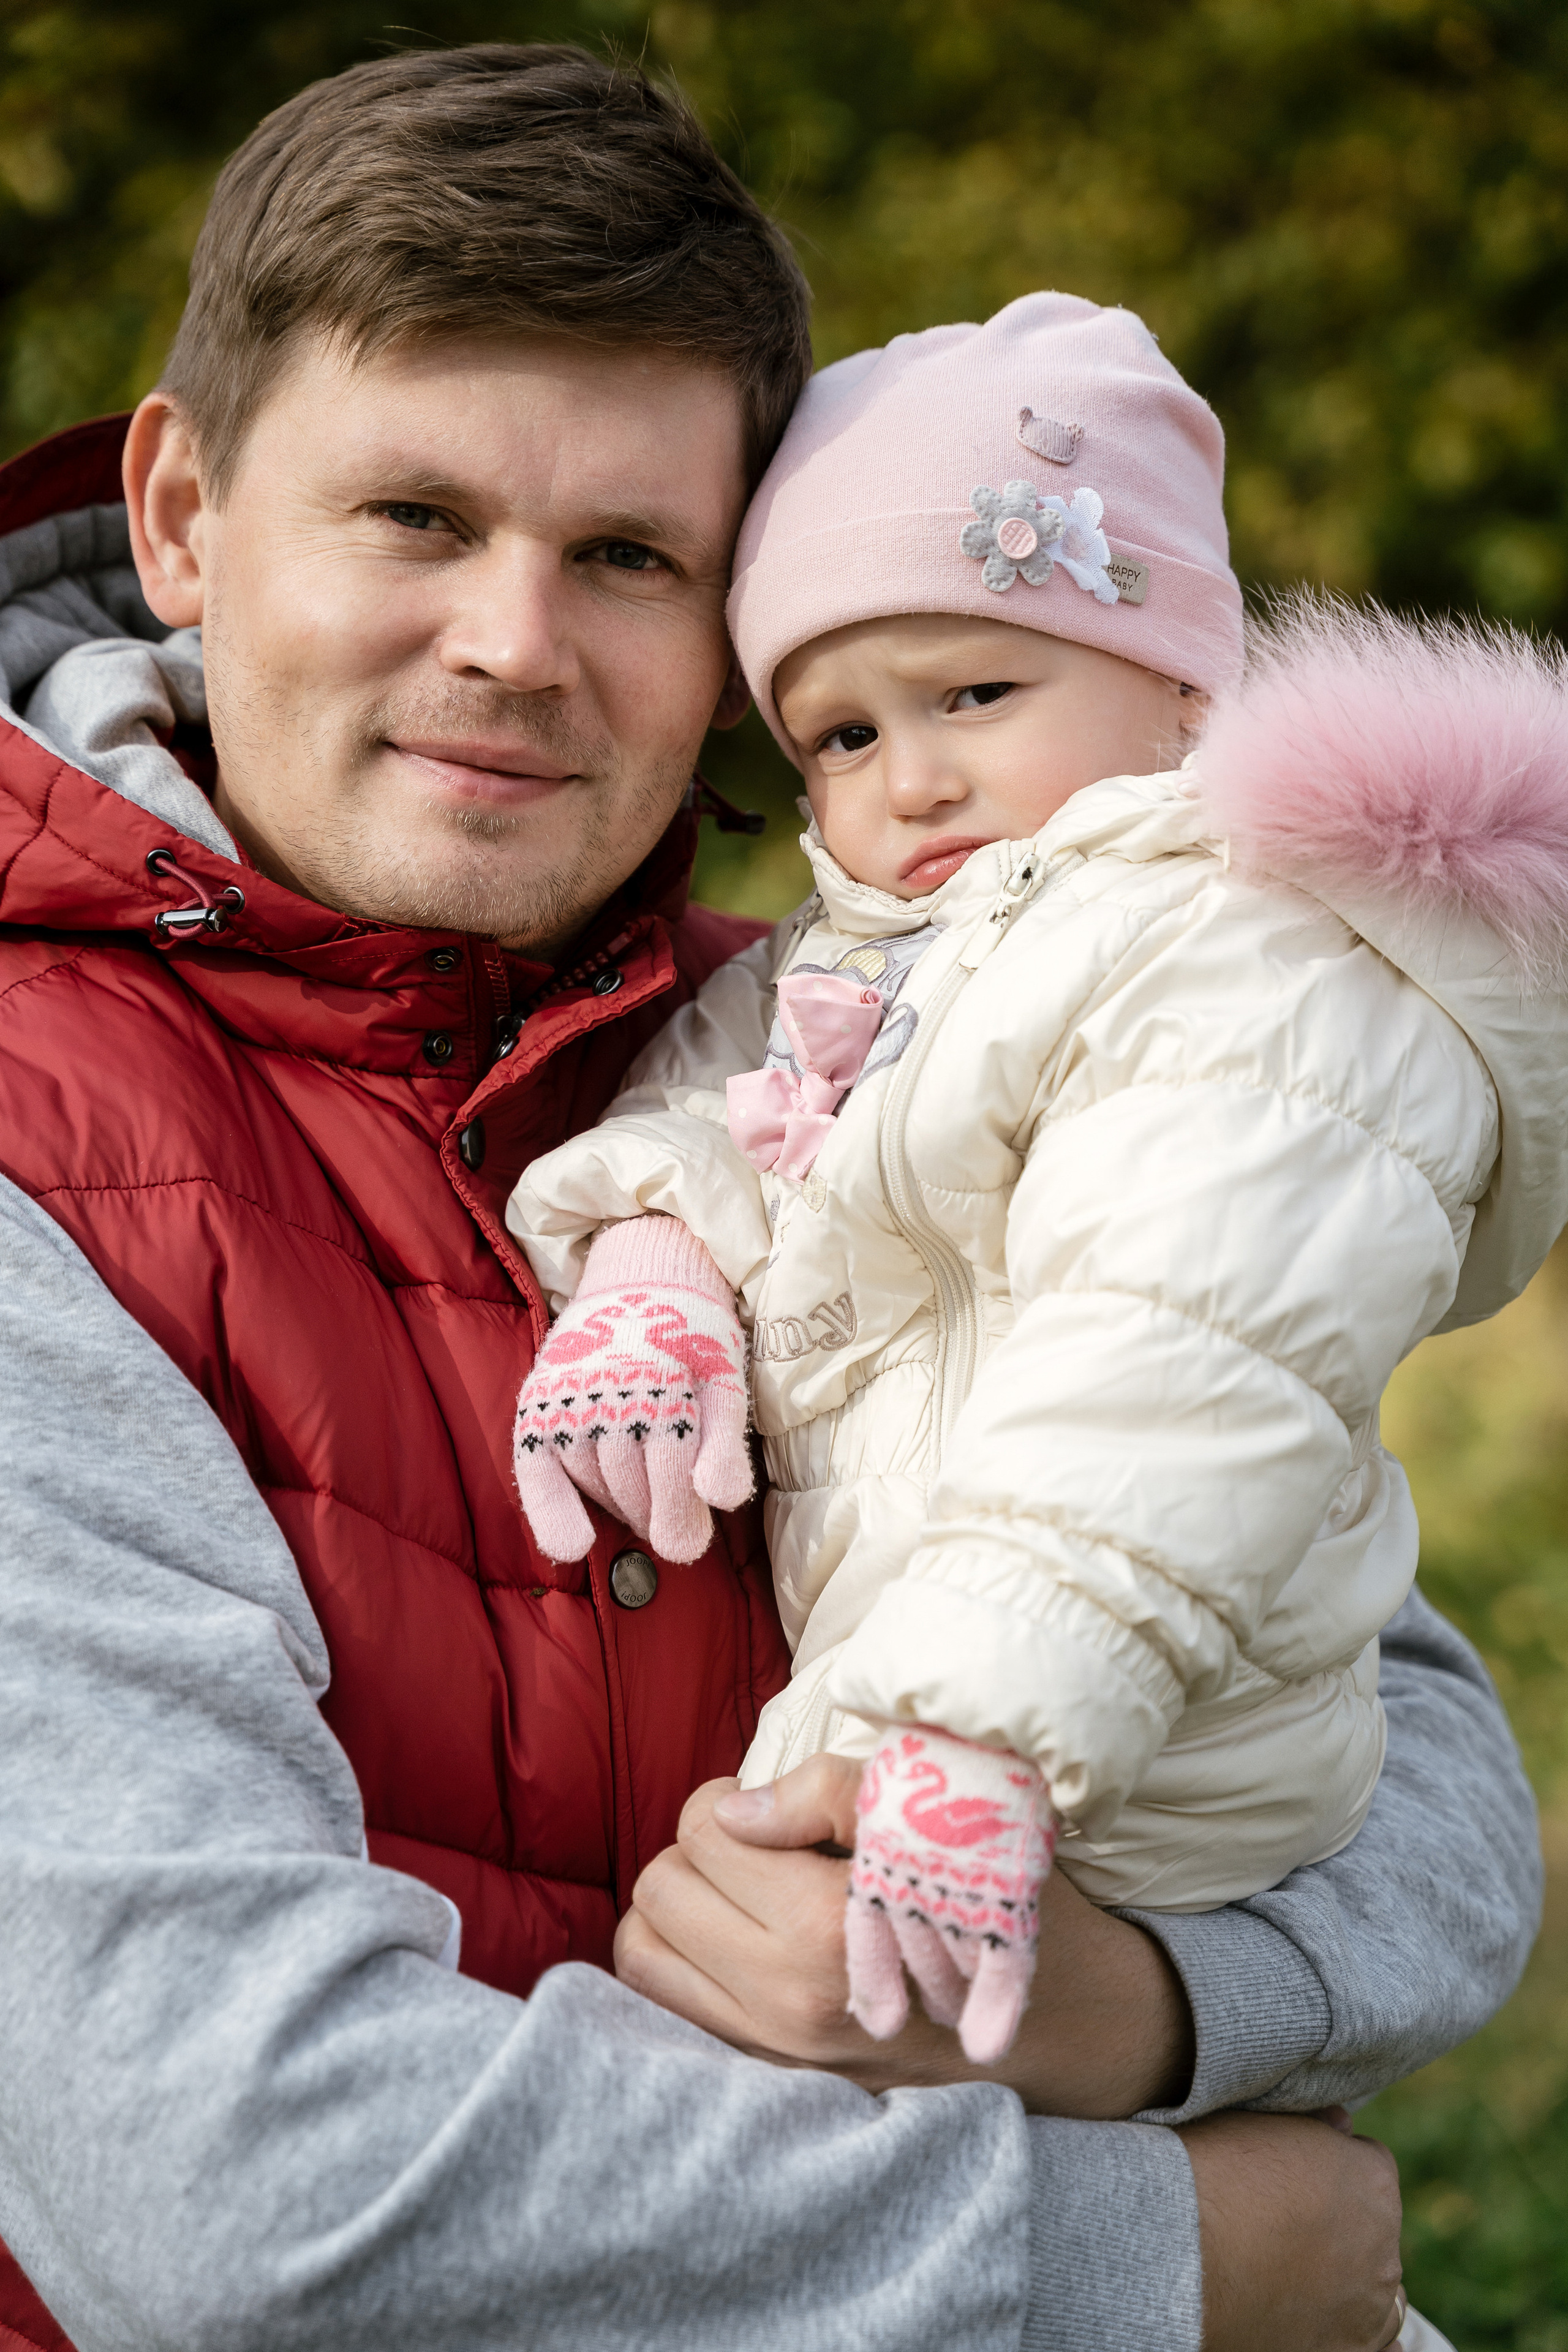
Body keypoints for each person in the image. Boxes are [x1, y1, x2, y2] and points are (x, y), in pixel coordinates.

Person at [0, 42, 1542, 2352]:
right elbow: (236, 2181)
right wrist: (1171, 2261)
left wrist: (1125, 2004)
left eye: (629, 556)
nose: (516, 643)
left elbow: (1418, 1760)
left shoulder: (867, 1043)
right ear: (185, 515)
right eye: (415, 514)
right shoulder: (39, 1150)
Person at [505, 292, 1568, 2067]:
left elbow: (1178, 1368)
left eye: (975, 693)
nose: (911, 778)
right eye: (841, 737)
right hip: (935, 1694)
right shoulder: (895, 945)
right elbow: (714, 1084)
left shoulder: (1260, 968)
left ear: (1182, 686)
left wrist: (975, 1728)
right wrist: (656, 1272)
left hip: (1132, 1745)